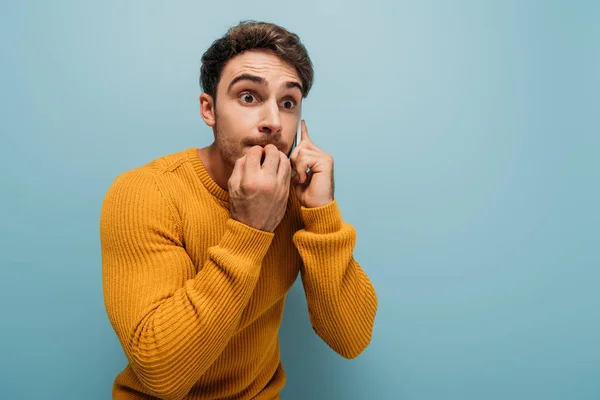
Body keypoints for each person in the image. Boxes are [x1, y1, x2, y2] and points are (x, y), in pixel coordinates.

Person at [100, 20, 378, 400]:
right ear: (209, 109)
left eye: (288, 103)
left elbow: (352, 338)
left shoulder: (299, 195)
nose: (273, 123)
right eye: (248, 97)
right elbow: (161, 373)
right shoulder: (145, 193)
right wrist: (249, 229)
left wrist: (321, 214)